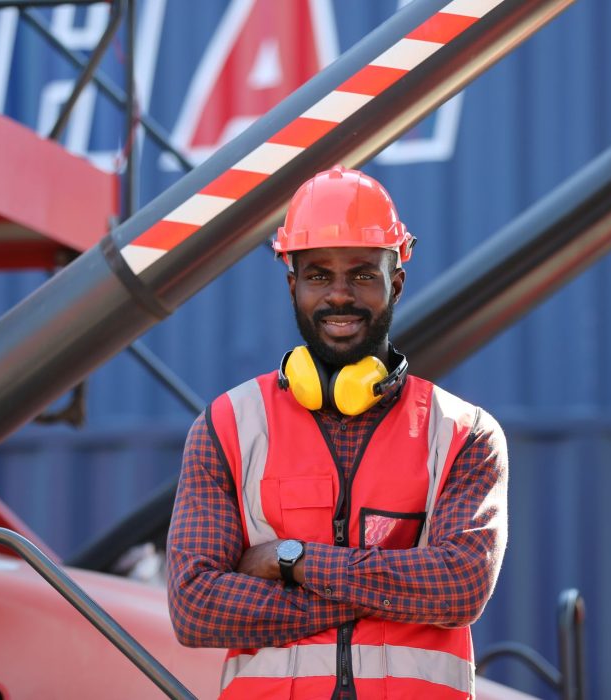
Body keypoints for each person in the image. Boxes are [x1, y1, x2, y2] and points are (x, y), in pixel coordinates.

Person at [166, 165, 508, 700]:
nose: (340, 295)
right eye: (319, 274)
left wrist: (293, 561)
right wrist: (398, 588)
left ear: (396, 281)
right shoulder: (227, 427)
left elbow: (459, 587)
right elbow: (196, 608)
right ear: (293, 284)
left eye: (364, 274)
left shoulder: (464, 434)